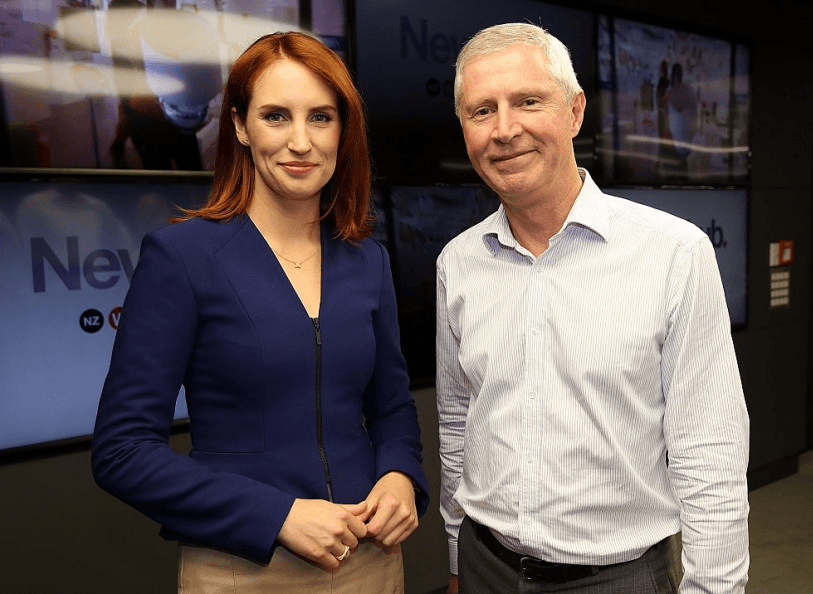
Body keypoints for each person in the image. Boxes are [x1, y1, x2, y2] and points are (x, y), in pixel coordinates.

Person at [92, 31, 428, 593]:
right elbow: (122, 451)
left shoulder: (367, 261)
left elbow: (391, 406)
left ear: (343, 130)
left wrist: (400, 475)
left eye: (320, 118)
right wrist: (277, 515)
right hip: (245, 570)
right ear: (241, 126)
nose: (301, 142)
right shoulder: (183, 257)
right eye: (276, 116)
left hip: (371, 562)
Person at [437, 23, 749, 594]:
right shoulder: (457, 263)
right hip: (485, 567)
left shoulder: (674, 254)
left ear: (575, 111)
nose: (504, 130)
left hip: (618, 579)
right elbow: (457, 420)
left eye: (528, 102)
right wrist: (458, 554)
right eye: (482, 111)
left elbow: (710, 451)